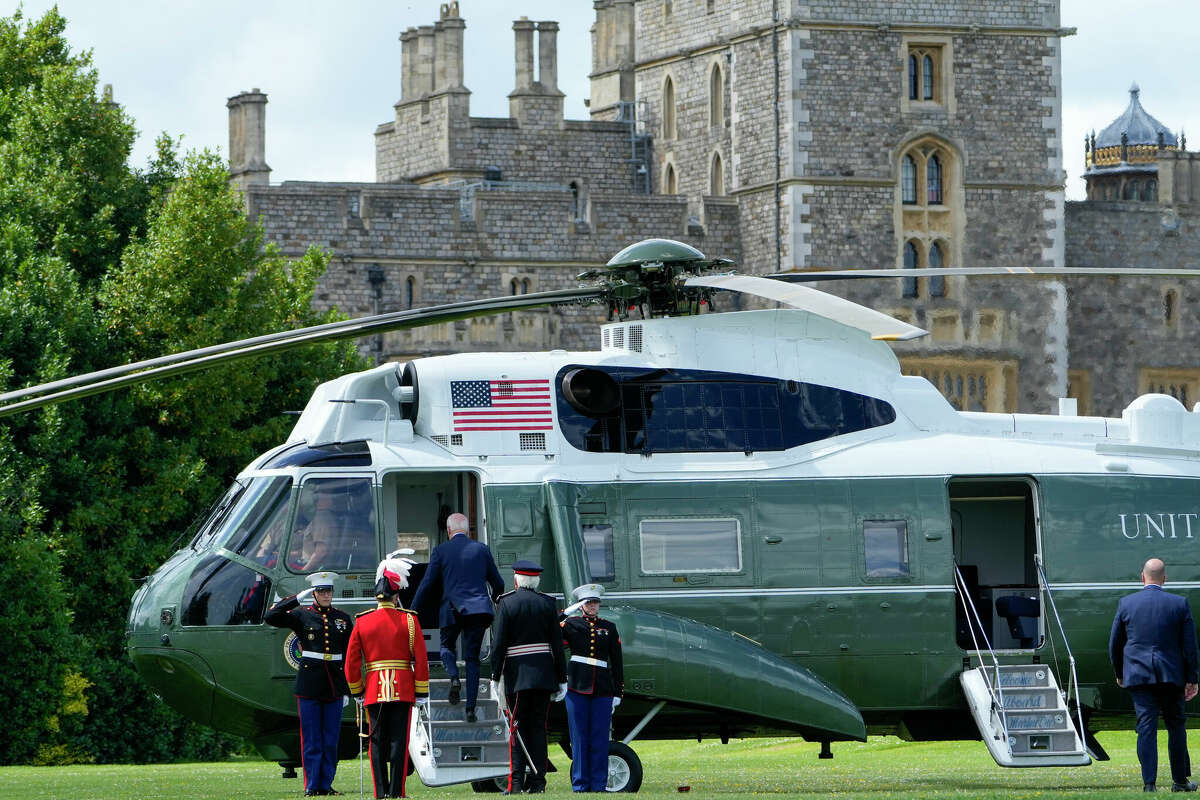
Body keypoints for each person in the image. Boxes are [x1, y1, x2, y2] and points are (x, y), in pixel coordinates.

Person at [1109, 557, 1200, 793]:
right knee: (1176, 727)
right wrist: (1193, 678)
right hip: (1171, 675)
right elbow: (1190, 646)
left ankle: (1149, 784)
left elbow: (1115, 644)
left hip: (1138, 675)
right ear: (1165, 579)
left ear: (1143, 577)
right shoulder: (1179, 604)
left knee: (1146, 727)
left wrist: (1120, 673)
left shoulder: (1126, 604)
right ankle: (1180, 781)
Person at [345, 555, 430, 799]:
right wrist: (421, 692)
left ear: (376, 597)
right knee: (399, 743)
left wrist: (357, 691)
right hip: (403, 689)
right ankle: (396, 791)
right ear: (395, 597)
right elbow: (421, 660)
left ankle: (380, 792)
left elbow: (352, 662)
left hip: (373, 690)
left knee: (377, 742)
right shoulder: (410, 620)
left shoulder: (362, 621)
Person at [265, 571, 354, 797]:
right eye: (321, 591)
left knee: (331, 739)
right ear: (314, 593)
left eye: (328, 591)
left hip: (334, 682)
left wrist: (345, 688)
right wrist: (295, 599)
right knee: (312, 738)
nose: (326, 595)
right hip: (310, 682)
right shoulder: (302, 615)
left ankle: (326, 784)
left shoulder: (342, 618)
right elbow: (271, 616)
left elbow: (348, 654)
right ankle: (312, 785)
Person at [411, 511, 504, 722]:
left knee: (446, 647)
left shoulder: (441, 551)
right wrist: (496, 599)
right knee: (473, 658)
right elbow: (498, 583)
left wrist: (413, 609)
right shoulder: (482, 549)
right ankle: (470, 710)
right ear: (468, 530)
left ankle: (453, 677)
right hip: (479, 610)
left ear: (449, 530)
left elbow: (427, 584)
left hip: (452, 609)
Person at [490, 560, 568, 794]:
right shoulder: (547, 603)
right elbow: (557, 645)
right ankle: (538, 783)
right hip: (544, 678)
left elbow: (499, 644)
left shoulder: (507, 603)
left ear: (516, 580)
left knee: (517, 730)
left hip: (518, 678)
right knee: (537, 729)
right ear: (536, 581)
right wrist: (562, 678)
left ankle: (515, 785)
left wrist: (495, 676)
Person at [560, 583, 624, 793]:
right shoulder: (571, 624)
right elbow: (549, 629)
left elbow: (617, 661)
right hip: (577, 686)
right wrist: (564, 613)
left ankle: (598, 784)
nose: (593, 606)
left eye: (596, 602)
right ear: (581, 605)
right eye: (589, 603)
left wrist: (617, 692)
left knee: (599, 738)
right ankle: (580, 784)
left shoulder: (609, 627)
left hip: (603, 688)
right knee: (579, 737)